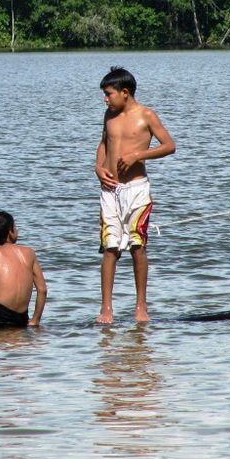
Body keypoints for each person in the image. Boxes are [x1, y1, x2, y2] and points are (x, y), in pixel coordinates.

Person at [95, 66, 175, 324]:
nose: (105, 99)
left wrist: (138, 155)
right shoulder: (109, 114)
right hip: (109, 191)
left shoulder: (146, 116)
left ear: (125, 92)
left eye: (109, 94)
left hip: (136, 190)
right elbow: (103, 143)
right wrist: (98, 168)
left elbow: (169, 146)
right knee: (110, 248)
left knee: (137, 246)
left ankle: (141, 306)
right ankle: (106, 308)